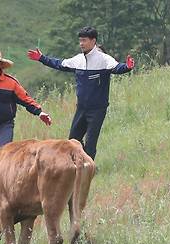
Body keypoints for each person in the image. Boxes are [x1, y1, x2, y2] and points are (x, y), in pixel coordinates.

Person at [27, 26, 134, 160]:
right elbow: (60, 64)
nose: (81, 44)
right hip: (81, 108)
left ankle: (88, 170)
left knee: (91, 143)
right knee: (73, 140)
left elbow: (118, 67)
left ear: (93, 41)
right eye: (80, 41)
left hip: (97, 109)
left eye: (84, 40)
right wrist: (41, 58)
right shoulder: (78, 59)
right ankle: (78, 164)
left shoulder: (104, 59)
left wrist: (127, 67)